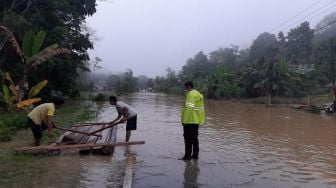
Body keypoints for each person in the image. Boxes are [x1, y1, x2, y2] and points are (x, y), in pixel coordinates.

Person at [180, 81, 205, 160]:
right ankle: (195, 156)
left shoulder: (191, 94)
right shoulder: (198, 94)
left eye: (186, 88)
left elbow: (189, 109)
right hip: (196, 121)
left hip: (189, 121)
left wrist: (184, 121)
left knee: (187, 139)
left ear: (189, 87)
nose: (185, 89)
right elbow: (200, 109)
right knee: (194, 139)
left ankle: (187, 156)